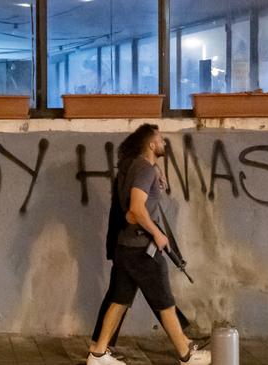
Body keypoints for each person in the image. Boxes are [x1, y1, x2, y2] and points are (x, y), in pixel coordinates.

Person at [86, 124, 211, 365]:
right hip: (141, 249)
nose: (164, 143)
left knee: (119, 299)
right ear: (151, 145)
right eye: (161, 140)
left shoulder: (134, 167)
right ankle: (187, 355)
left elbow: (132, 212)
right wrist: (158, 234)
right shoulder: (145, 169)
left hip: (126, 247)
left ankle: (98, 354)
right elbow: (136, 209)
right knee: (164, 302)